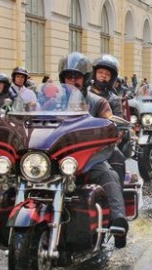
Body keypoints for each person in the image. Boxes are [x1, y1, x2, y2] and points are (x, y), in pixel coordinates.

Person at [58, 51, 129, 249]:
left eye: (76, 77)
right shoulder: (54, 101)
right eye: (68, 77)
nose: (72, 81)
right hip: (55, 156)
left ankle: (118, 222)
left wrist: (110, 129)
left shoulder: (99, 102)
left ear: (85, 78)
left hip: (87, 156)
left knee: (108, 172)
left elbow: (110, 124)